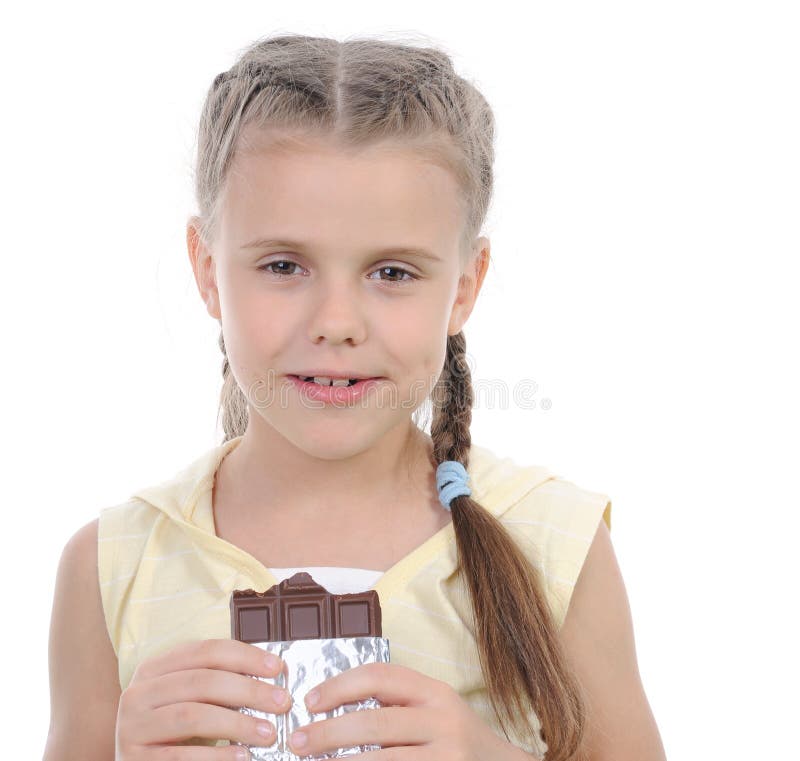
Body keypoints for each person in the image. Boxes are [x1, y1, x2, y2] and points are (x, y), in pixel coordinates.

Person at [45, 33, 666, 761]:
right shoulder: (112, 566)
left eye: (393, 272)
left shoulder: (553, 544)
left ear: (465, 285)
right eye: (284, 264)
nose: (336, 323)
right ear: (208, 270)